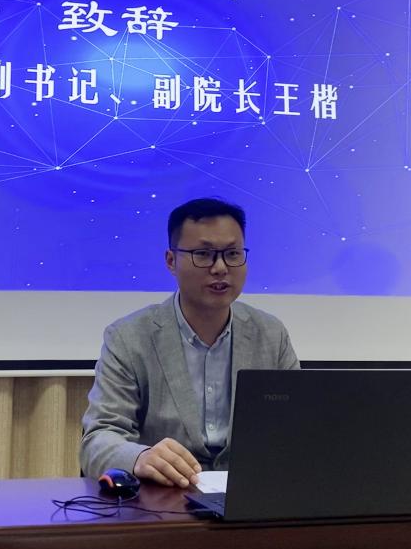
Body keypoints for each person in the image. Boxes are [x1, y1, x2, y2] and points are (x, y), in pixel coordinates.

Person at [79, 197, 300, 488]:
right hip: (164, 498)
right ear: (171, 261)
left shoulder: (270, 334)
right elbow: (98, 440)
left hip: (250, 496)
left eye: (232, 254)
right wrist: (140, 457)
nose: (220, 268)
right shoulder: (129, 337)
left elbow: (298, 427)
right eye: (204, 254)